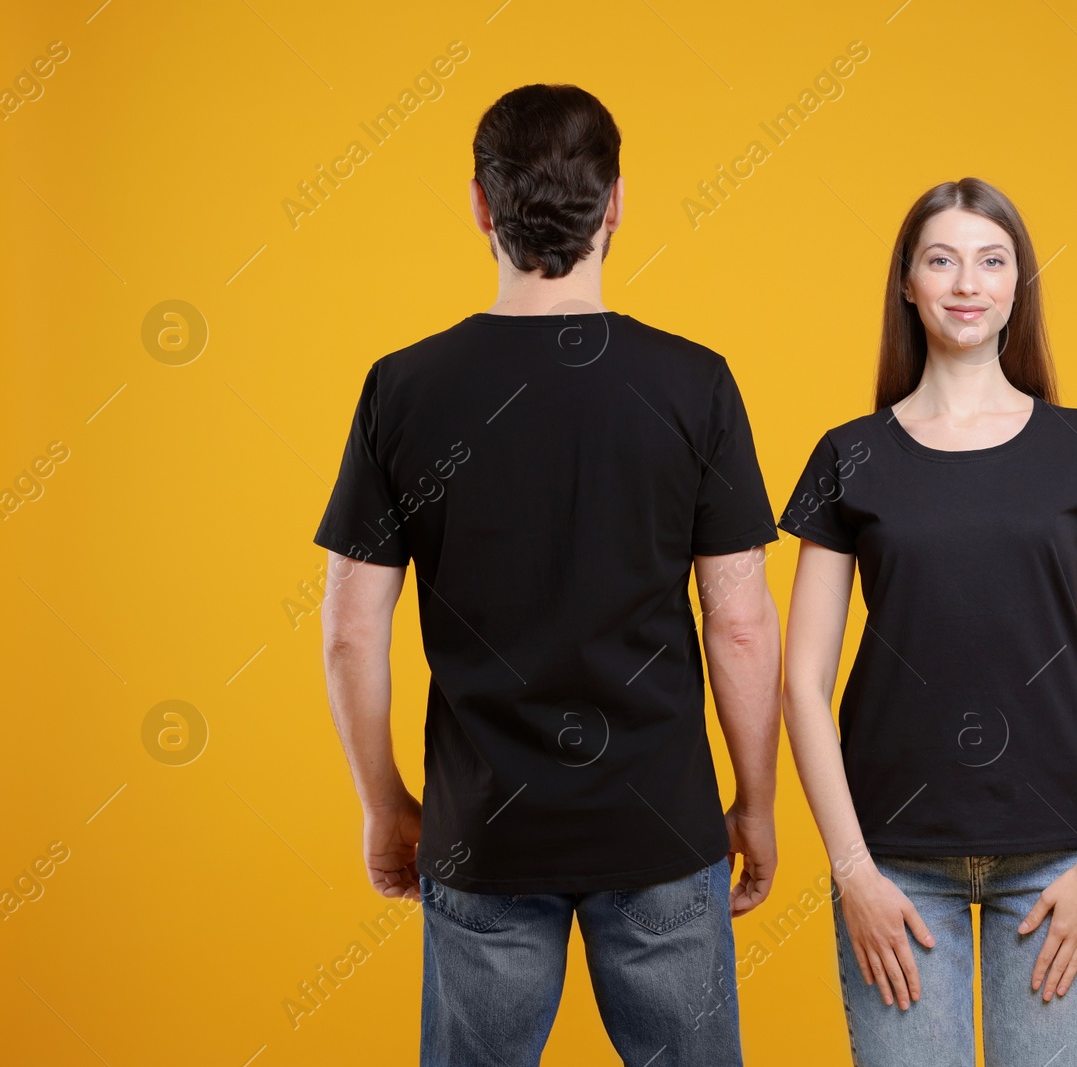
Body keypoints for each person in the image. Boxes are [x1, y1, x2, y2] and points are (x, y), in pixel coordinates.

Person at [313, 83, 783, 1067]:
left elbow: (352, 629)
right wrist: (753, 799)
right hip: (659, 826)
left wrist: (384, 799)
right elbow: (737, 624)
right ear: (616, 203)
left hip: (483, 828)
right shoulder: (693, 382)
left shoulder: (403, 387)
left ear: (480, 206)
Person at [778, 177, 1077, 1066]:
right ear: (907, 283)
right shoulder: (851, 457)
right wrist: (853, 874)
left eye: (993, 262)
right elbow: (803, 679)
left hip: (1059, 858)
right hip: (895, 866)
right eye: (941, 259)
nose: (967, 282)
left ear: (1018, 286)